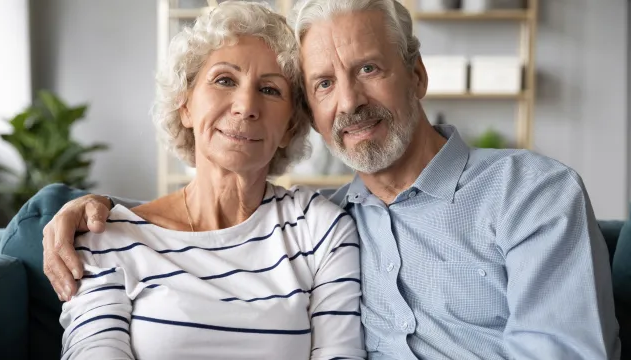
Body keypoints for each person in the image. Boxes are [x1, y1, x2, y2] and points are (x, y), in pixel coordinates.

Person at [44, 0, 620, 359]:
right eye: (322, 84)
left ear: (416, 75)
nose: (349, 102)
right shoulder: (337, 216)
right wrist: (90, 210)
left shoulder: (530, 194)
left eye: (369, 69)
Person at [52, 2, 365, 359]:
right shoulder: (108, 237)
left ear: (289, 128)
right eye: (224, 80)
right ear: (185, 105)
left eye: (270, 90)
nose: (245, 105)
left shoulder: (319, 229)